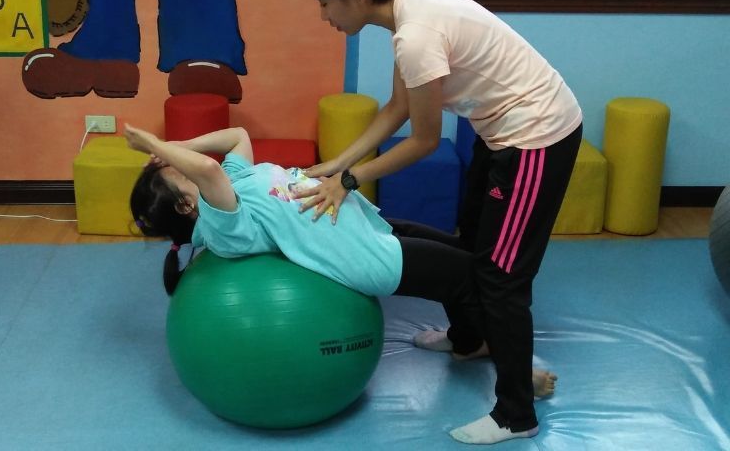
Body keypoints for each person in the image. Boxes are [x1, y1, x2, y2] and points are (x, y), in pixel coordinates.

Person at [295, 0, 582, 444]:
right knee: (470, 247)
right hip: (502, 139)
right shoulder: (409, 13)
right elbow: (398, 109)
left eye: (324, 2)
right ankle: (469, 340)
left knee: (502, 279)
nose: (323, 16)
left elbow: (423, 140)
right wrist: (337, 163)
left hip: (538, 139)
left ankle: (516, 413)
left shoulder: (417, 36)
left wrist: (351, 181)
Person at [123, 124, 558, 396]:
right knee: (475, 276)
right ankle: (514, 378)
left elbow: (237, 136)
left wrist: (174, 144)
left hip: (363, 224)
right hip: (366, 255)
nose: (187, 165)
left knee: (459, 257)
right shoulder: (221, 224)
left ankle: (466, 342)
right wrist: (157, 142)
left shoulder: (233, 185)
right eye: (179, 173)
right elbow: (209, 169)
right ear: (185, 206)